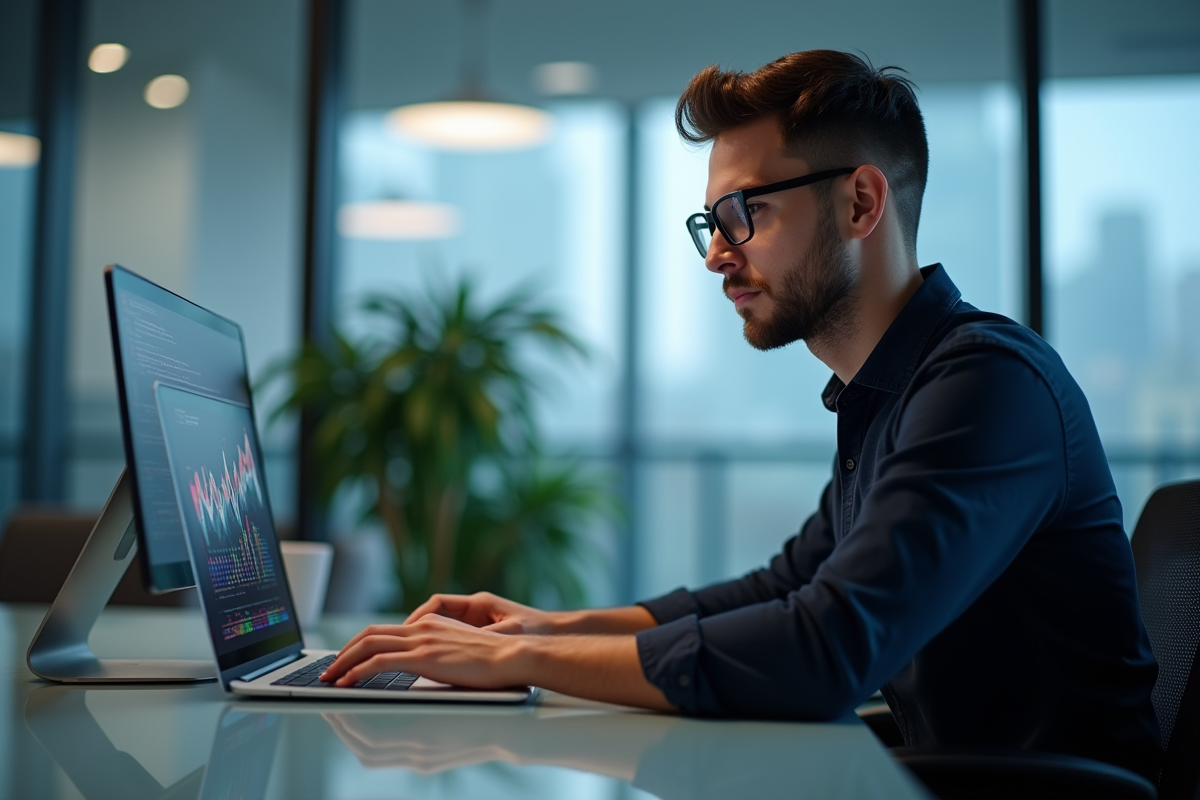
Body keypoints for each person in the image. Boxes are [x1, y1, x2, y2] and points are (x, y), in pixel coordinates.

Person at [321, 50, 1162, 780]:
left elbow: (825, 648)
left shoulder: (987, 386)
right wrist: (549, 625)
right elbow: (786, 587)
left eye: (744, 213)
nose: (719, 252)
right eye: (710, 222)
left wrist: (522, 658)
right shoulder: (891, 396)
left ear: (861, 205)